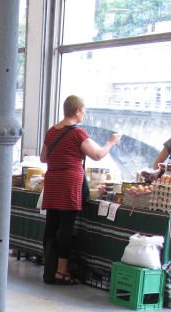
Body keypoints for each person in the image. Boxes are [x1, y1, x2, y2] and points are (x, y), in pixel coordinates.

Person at [40, 95, 120, 285]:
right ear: (76, 111)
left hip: (52, 181)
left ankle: (49, 268)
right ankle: (62, 271)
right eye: (83, 110)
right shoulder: (78, 133)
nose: (84, 114)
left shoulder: (52, 131)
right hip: (69, 183)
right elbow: (98, 154)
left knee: (52, 225)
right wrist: (112, 141)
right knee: (66, 228)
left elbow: (43, 158)